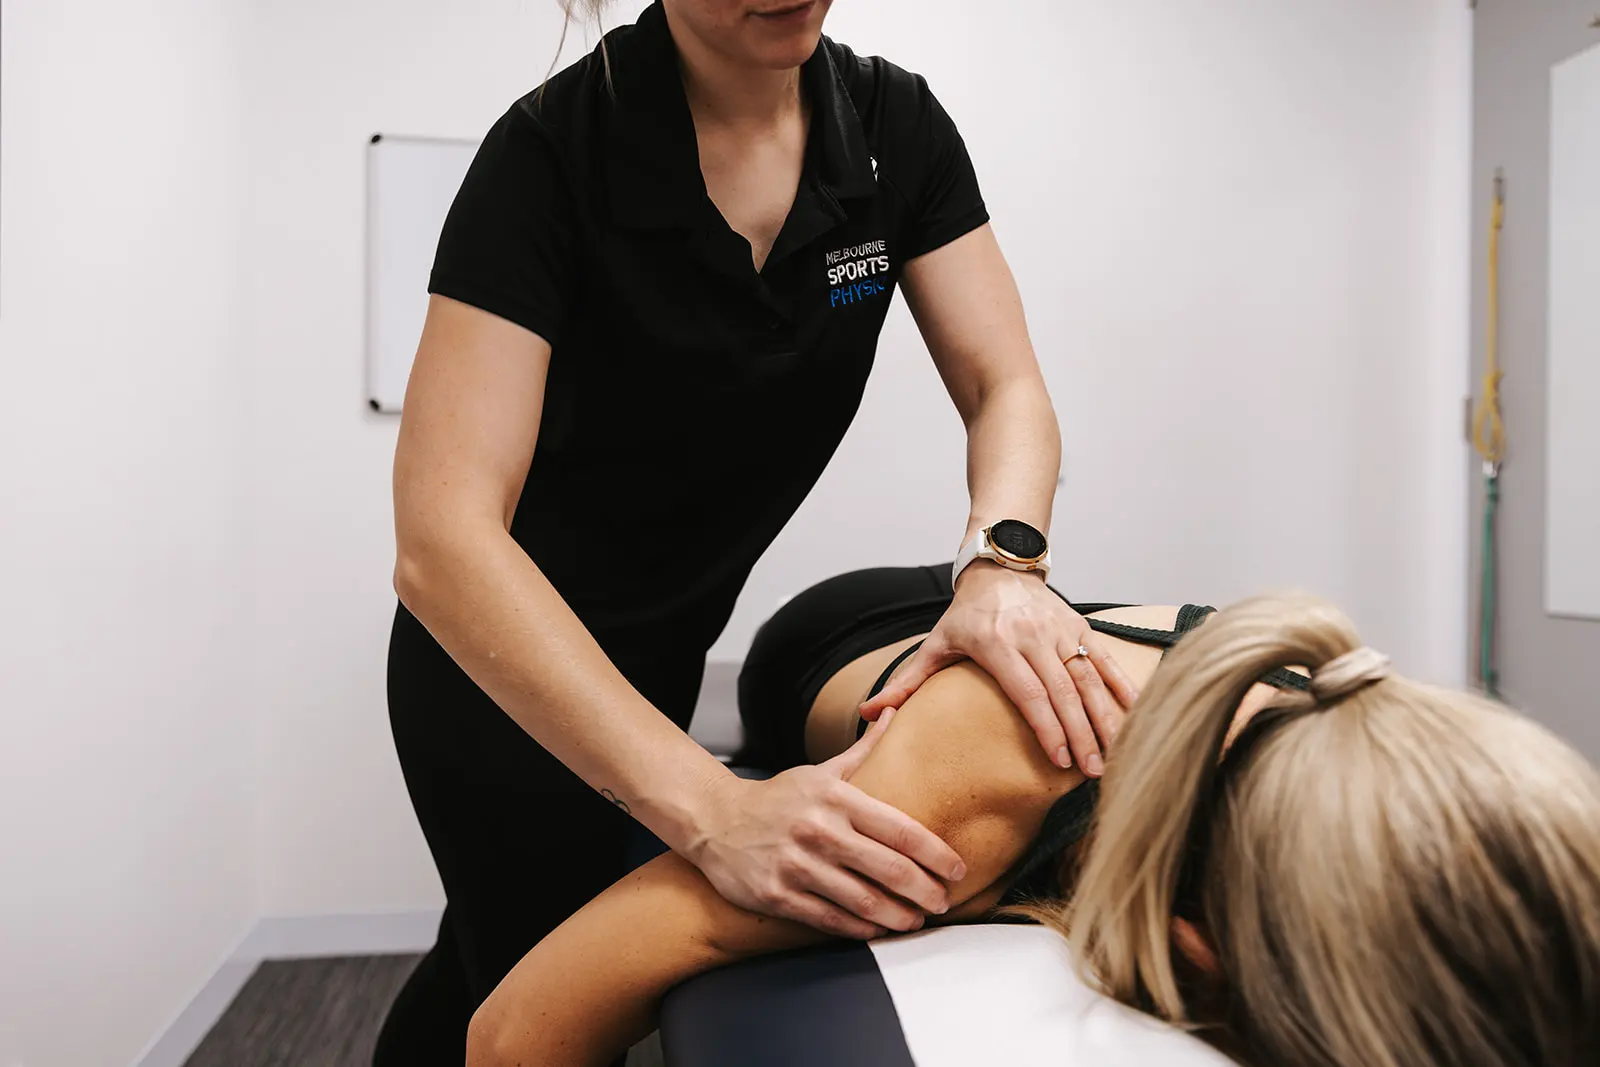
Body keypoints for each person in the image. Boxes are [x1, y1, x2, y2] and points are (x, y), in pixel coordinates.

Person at [376, 1, 1141, 1061]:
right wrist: (709, 807)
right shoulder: (548, 157)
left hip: (664, 656)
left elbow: (1002, 384)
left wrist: (1003, 566)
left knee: (493, 962)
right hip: (504, 678)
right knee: (529, 986)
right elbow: (442, 539)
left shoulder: (892, 129)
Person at [465, 567, 1600, 1067]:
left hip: (1085, 636)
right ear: (1203, 953)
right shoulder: (951, 808)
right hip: (842, 633)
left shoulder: (1368, 745)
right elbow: (518, 1027)